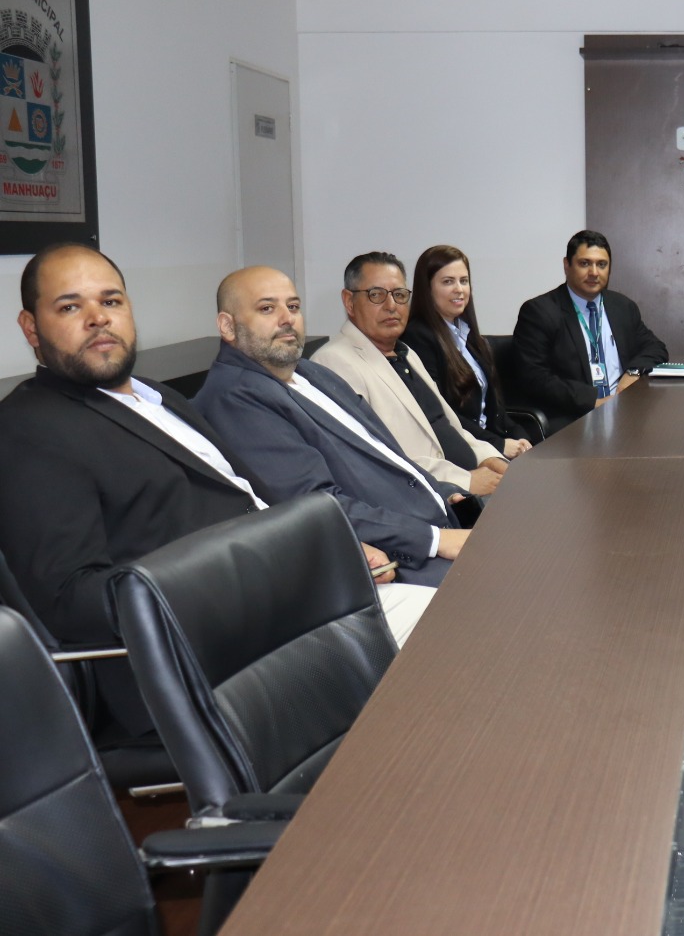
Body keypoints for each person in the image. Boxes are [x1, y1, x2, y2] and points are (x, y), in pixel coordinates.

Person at [0, 245, 416, 742]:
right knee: (459, 644)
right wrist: (271, 568)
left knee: (472, 622)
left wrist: (328, 545)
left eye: (110, 301)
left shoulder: (158, 396)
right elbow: (71, 598)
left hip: (305, 604)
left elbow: (245, 497)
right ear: (31, 328)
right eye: (70, 306)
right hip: (217, 659)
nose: (97, 318)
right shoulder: (31, 429)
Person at [196, 265, 471, 589]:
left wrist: (442, 491)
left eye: (293, 306)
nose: (287, 319)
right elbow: (318, 505)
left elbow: (384, 453)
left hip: (437, 520)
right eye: (267, 308)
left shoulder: (311, 372)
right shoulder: (235, 398)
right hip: (397, 558)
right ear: (227, 326)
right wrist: (435, 540)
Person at [313, 252, 507, 495]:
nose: (391, 306)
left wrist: (488, 457)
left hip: (470, 479)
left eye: (399, 295)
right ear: (349, 302)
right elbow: (373, 458)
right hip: (433, 495)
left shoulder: (406, 353)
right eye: (376, 295)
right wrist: (465, 480)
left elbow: (447, 426)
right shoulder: (333, 362)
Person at [510, 230, 668, 435]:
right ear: (567, 265)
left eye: (601, 265)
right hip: (572, 418)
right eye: (585, 263)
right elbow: (534, 377)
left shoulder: (622, 307)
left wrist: (633, 372)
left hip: (624, 414)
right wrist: (594, 401)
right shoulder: (540, 311)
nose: (594, 272)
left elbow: (656, 348)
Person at [401, 244, 534, 454]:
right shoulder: (418, 336)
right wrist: (497, 445)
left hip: (489, 443)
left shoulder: (468, 335)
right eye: (448, 281)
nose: (459, 289)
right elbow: (441, 413)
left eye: (464, 281)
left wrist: (521, 437)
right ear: (427, 289)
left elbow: (496, 411)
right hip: (462, 451)